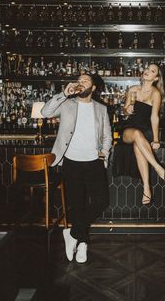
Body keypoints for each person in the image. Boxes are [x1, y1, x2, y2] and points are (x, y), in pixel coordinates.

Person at [41, 73, 112, 263]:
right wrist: (64, 93)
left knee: (101, 201)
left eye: (85, 81)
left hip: (94, 162)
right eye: (79, 80)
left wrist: (104, 152)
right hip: (71, 161)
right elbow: (46, 112)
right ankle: (82, 244)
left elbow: (107, 136)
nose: (81, 83)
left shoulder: (102, 109)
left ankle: (71, 233)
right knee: (78, 206)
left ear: (94, 87)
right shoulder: (67, 104)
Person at [122, 63, 165, 205]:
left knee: (139, 143)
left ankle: (146, 189)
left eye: (152, 71)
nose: (147, 71)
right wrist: (127, 110)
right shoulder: (132, 90)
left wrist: (156, 139)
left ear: (156, 78)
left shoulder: (155, 93)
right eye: (147, 69)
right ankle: (158, 168)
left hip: (146, 131)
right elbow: (125, 111)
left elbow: (154, 117)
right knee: (137, 134)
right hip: (129, 129)